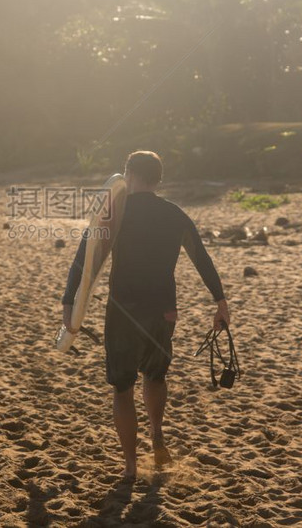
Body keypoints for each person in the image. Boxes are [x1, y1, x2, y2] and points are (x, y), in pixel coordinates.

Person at [61, 150, 229, 479]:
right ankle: (156, 435)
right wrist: (220, 302)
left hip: (124, 309)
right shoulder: (176, 215)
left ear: (128, 175)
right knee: (156, 376)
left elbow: (86, 257)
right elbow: (202, 259)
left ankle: (130, 465)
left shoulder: (116, 212)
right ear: (159, 179)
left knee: (122, 388)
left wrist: (69, 303)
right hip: (164, 311)